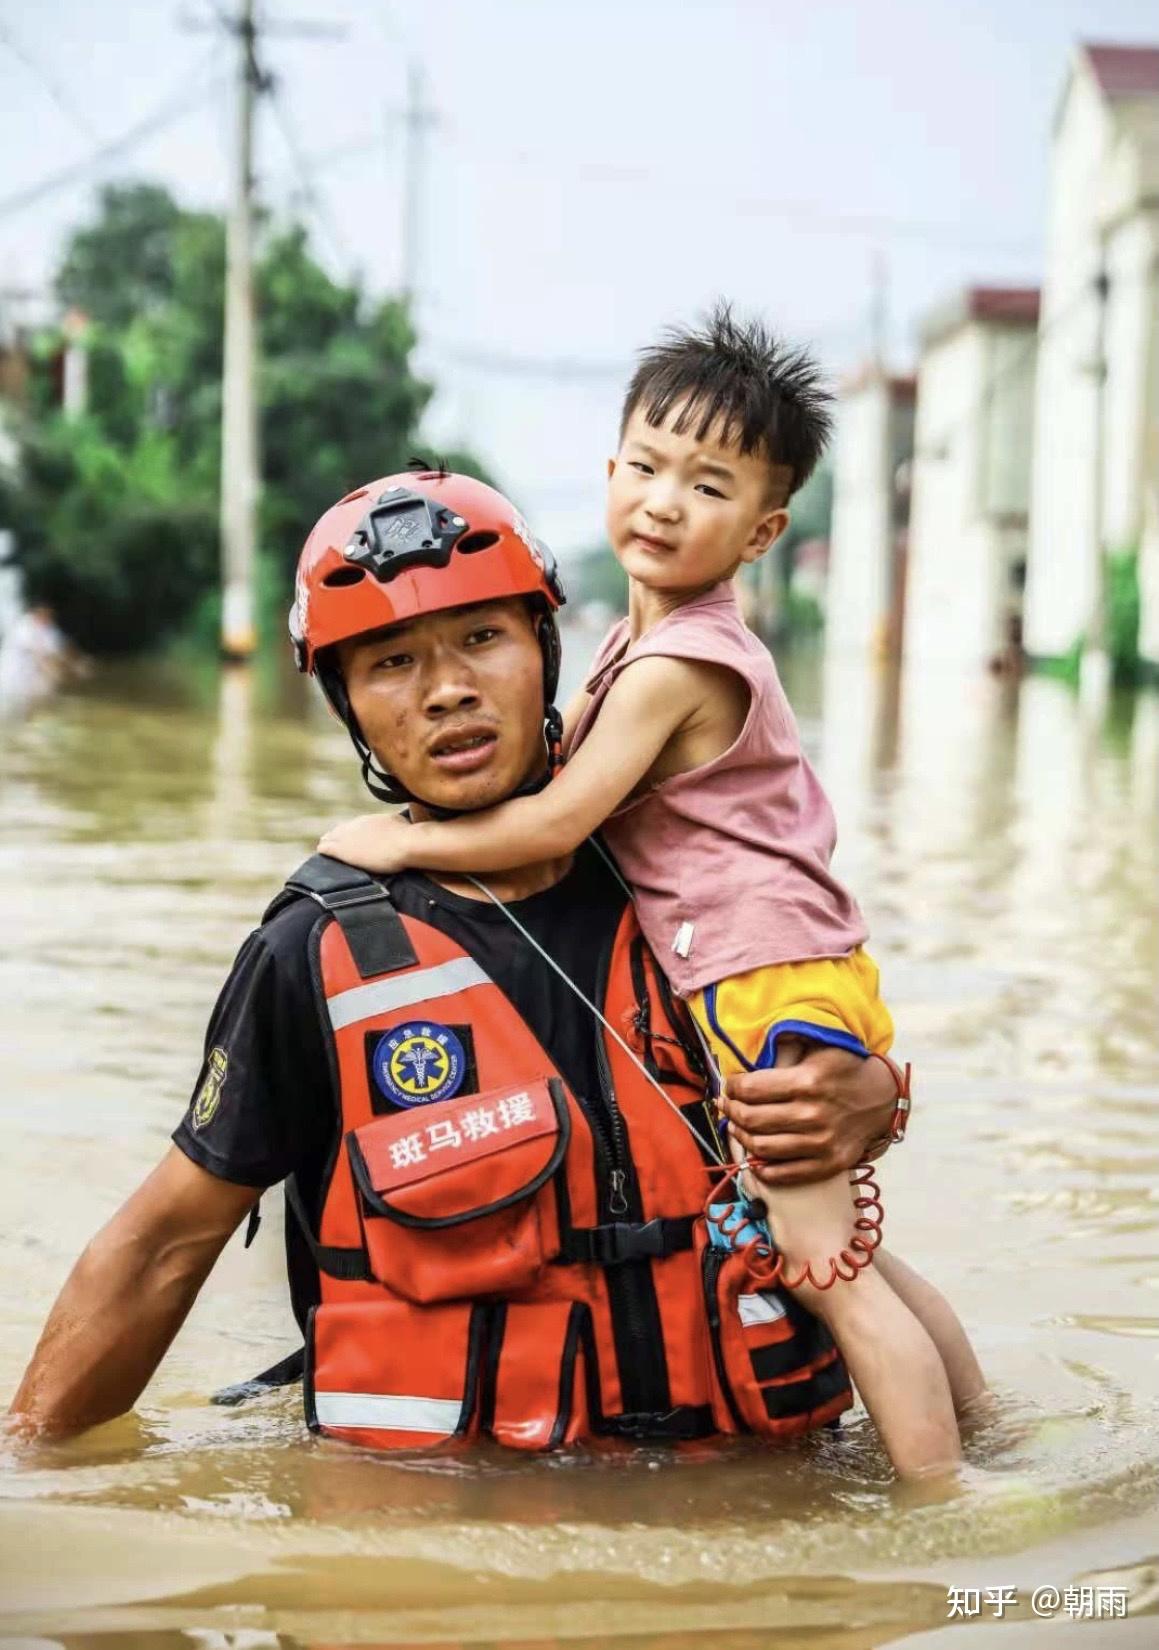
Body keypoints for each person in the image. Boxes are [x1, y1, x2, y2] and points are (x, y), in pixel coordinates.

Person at [10, 468, 908, 1454]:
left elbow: (824, 1022)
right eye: (391, 660)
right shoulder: (312, 949)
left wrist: (873, 1096)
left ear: (544, 646)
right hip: (460, 1519)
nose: (448, 690)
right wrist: (32, 1469)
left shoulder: (687, 872)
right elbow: (163, 1246)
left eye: (483, 638)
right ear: (347, 702)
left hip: (747, 1503)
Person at [317, 310, 986, 1476]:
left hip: (762, 978)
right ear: (608, 471)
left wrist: (398, 843)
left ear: (765, 528)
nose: (666, 501)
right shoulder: (644, 648)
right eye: (646, 466)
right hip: (780, 972)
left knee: (823, 1270)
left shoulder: (685, 660)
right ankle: (985, 1424)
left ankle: (953, 1499)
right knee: (839, 1249)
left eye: (710, 484)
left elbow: (561, 814)